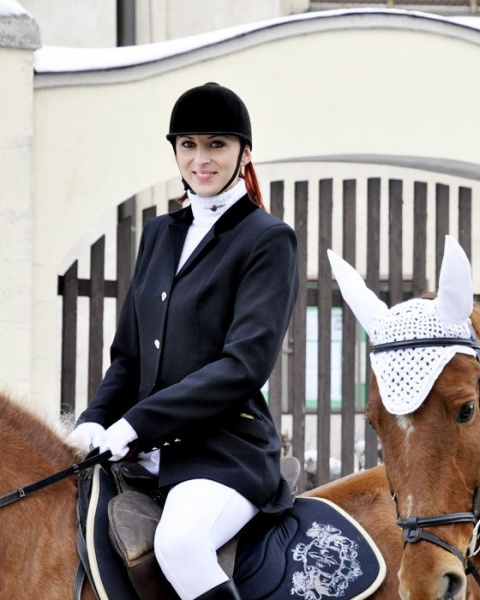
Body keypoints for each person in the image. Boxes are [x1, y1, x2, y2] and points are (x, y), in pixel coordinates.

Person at [67, 82, 299, 600]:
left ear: (244, 153)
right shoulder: (159, 234)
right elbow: (128, 358)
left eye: (217, 144)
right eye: (189, 144)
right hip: (139, 451)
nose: (201, 159)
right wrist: (91, 423)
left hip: (223, 453)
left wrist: (135, 424)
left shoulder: (266, 239)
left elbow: (243, 366)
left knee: (180, 544)